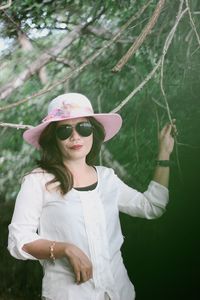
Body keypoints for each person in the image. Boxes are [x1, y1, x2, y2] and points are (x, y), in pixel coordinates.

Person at [8, 93, 176, 300]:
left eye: (83, 127)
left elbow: (152, 206)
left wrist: (164, 153)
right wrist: (64, 249)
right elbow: (19, 240)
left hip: (120, 293)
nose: (75, 136)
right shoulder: (37, 181)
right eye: (64, 130)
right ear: (54, 139)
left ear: (93, 133)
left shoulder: (107, 178)